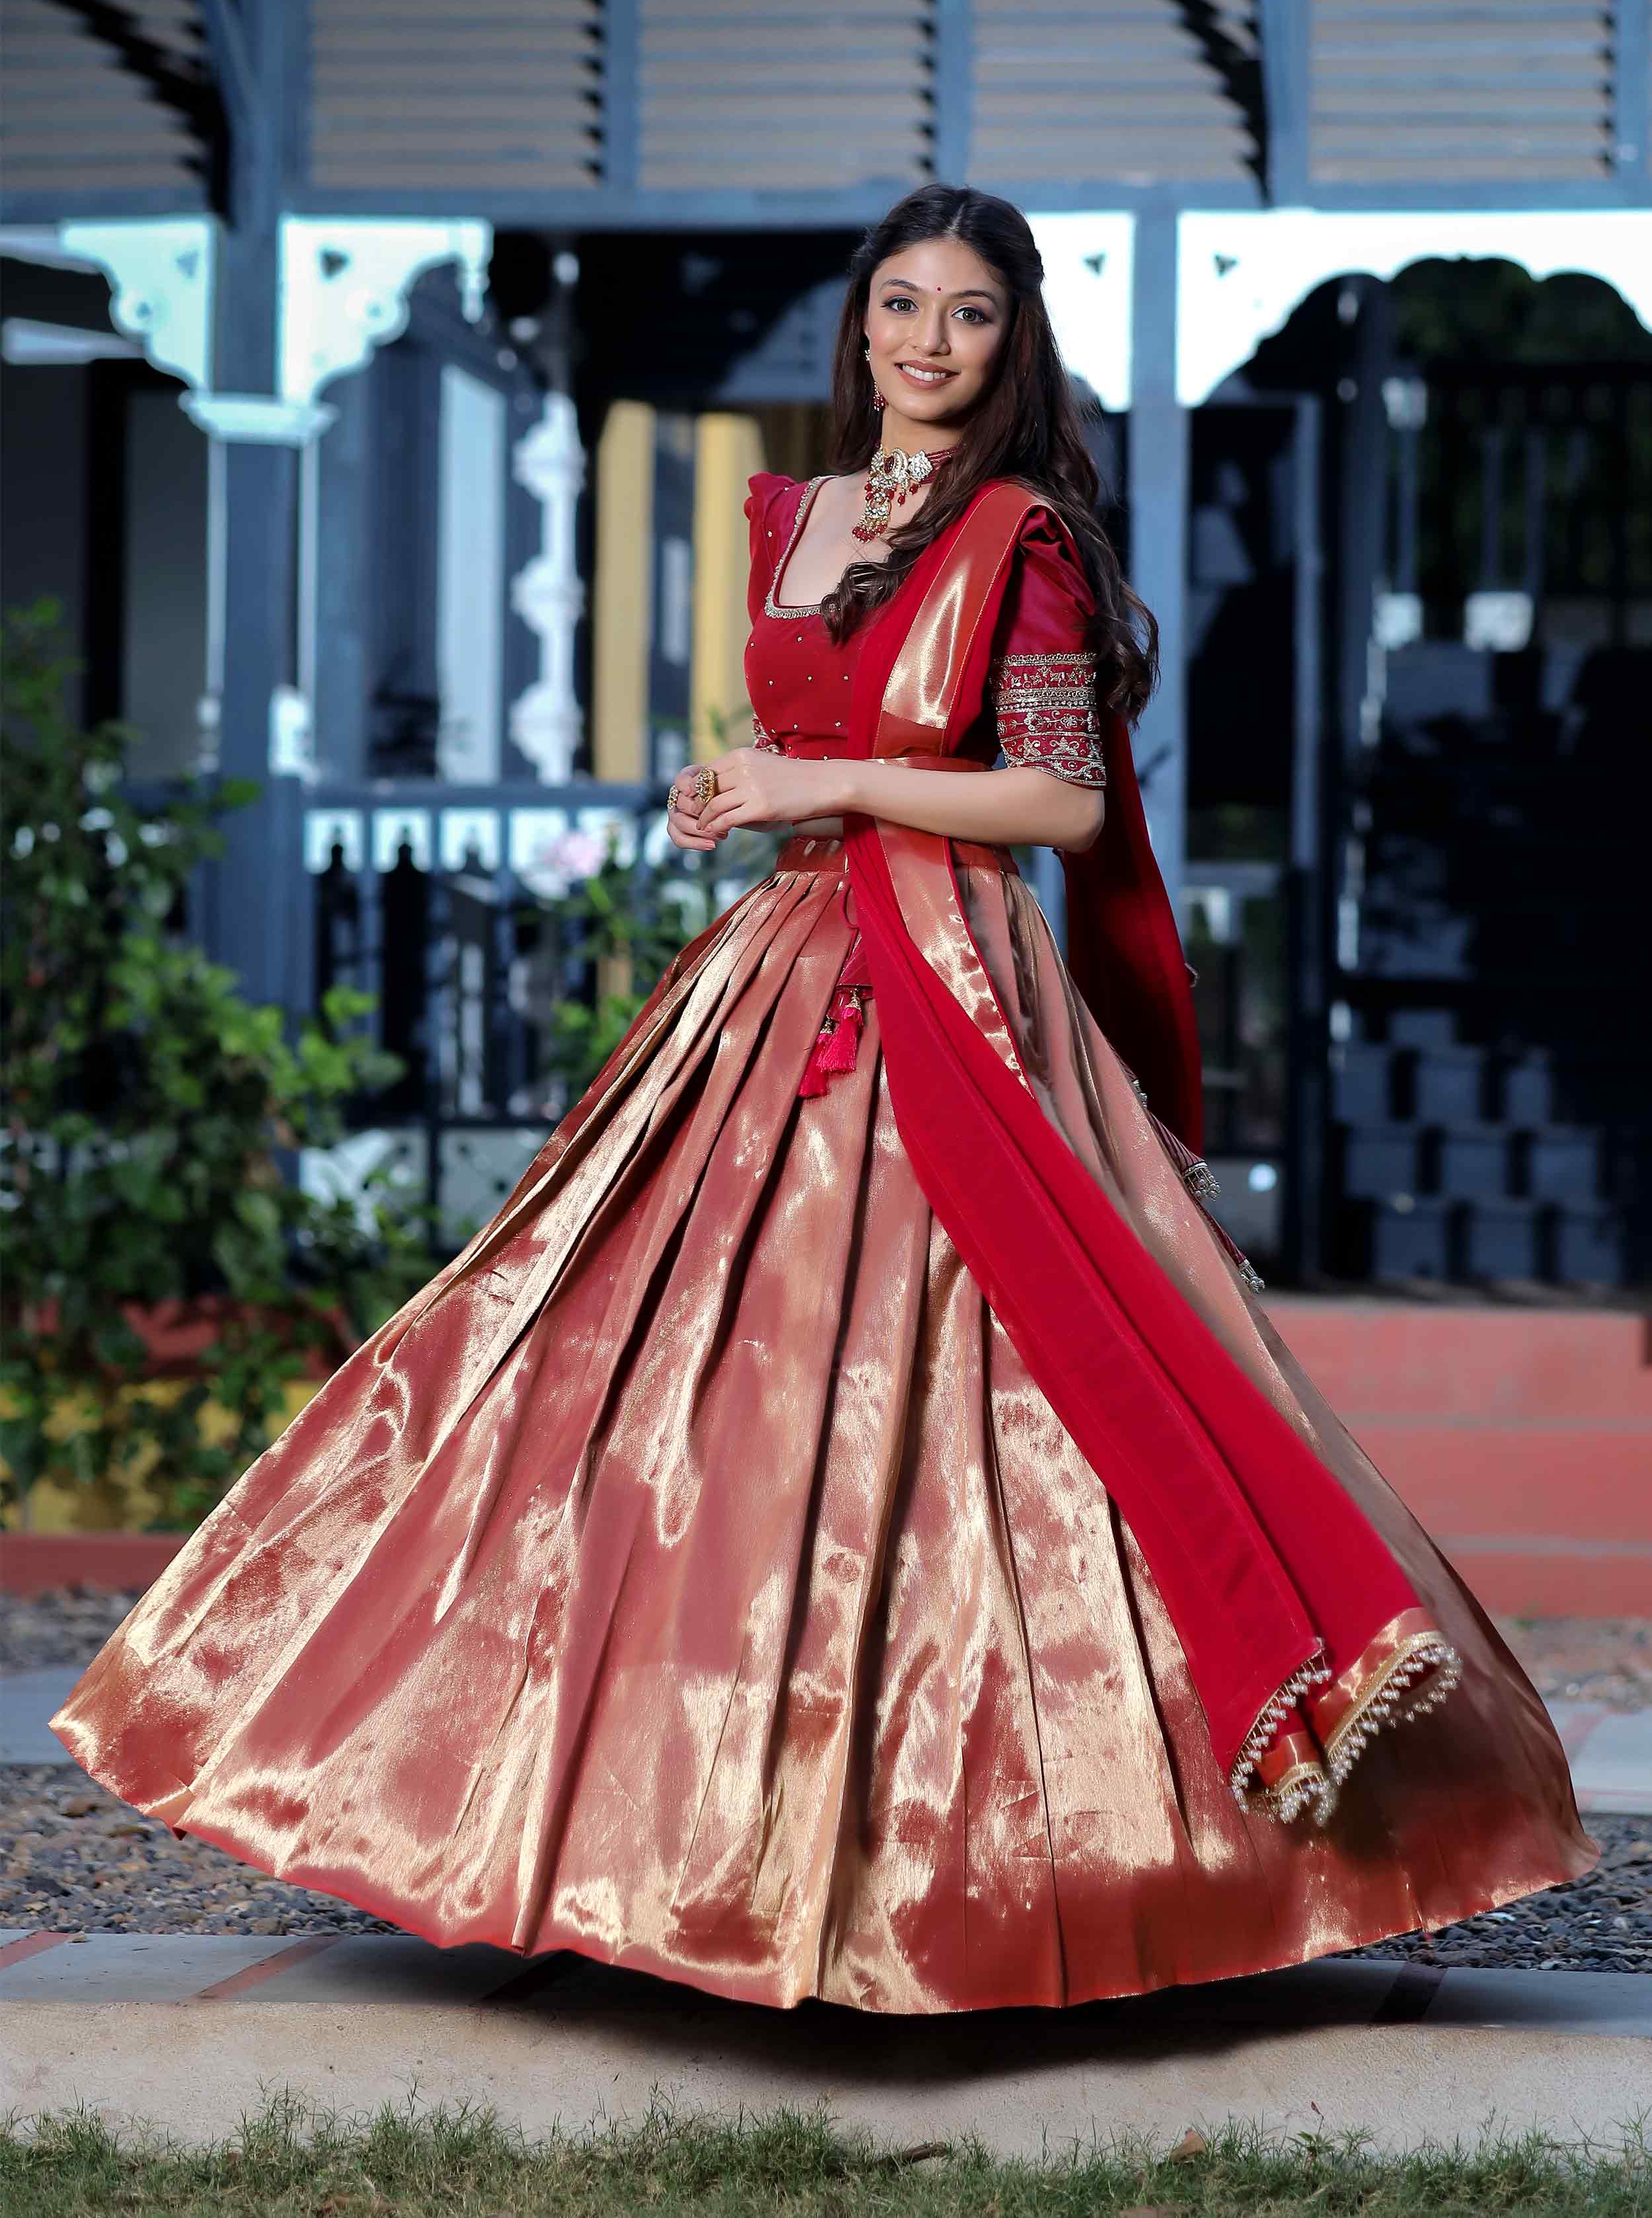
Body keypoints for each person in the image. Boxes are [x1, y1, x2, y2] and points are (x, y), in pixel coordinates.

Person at [52, 185, 1593, 2016]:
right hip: (783, 971)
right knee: (666, 1393)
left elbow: (1063, 808)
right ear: (857, 325)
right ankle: (668, 1846)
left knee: (968, 1424)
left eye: (966, 315)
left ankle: (1021, 1865)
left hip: (948, 983)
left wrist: (821, 773)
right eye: (896, 306)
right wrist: (744, 793)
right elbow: (807, 755)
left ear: (1012, 343)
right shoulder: (792, 517)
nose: (926, 342)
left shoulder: (1019, 532)